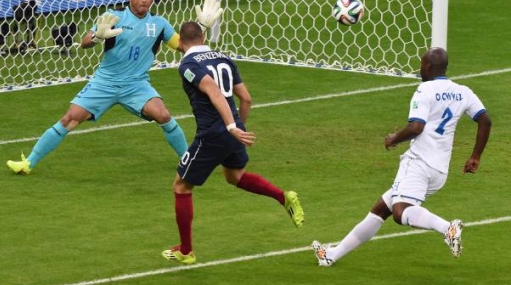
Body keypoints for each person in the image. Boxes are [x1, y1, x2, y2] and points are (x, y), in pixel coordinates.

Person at [7, 0, 223, 174]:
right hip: (105, 82)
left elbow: (186, 47)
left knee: (164, 115)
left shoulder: (159, 24)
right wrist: (97, 36)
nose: (144, 0)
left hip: (136, 85)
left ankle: (189, 160)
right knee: (70, 118)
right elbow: (84, 42)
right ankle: (28, 163)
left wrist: (202, 27)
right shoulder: (113, 17)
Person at [312, 47, 491, 266]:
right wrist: (475, 156)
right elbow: (485, 120)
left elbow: (416, 127)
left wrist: (393, 138)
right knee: (381, 209)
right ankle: (330, 256)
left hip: (418, 163)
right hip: (439, 170)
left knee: (400, 212)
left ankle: (447, 228)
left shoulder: (424, 90)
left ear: (427, 66)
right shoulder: (463, 91)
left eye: (421, 64)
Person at [162, 21, 305, 265]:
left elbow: (215, 93)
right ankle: (283, 197)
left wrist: (230, 128)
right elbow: (246, 99)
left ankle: (186, 251)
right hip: (233, 127)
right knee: (234, 176)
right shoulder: (223, 57)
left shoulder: (188, 64)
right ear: (204, 36)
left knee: (181, 186)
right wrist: (238, 127)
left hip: (213, 133)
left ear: (181, 42)